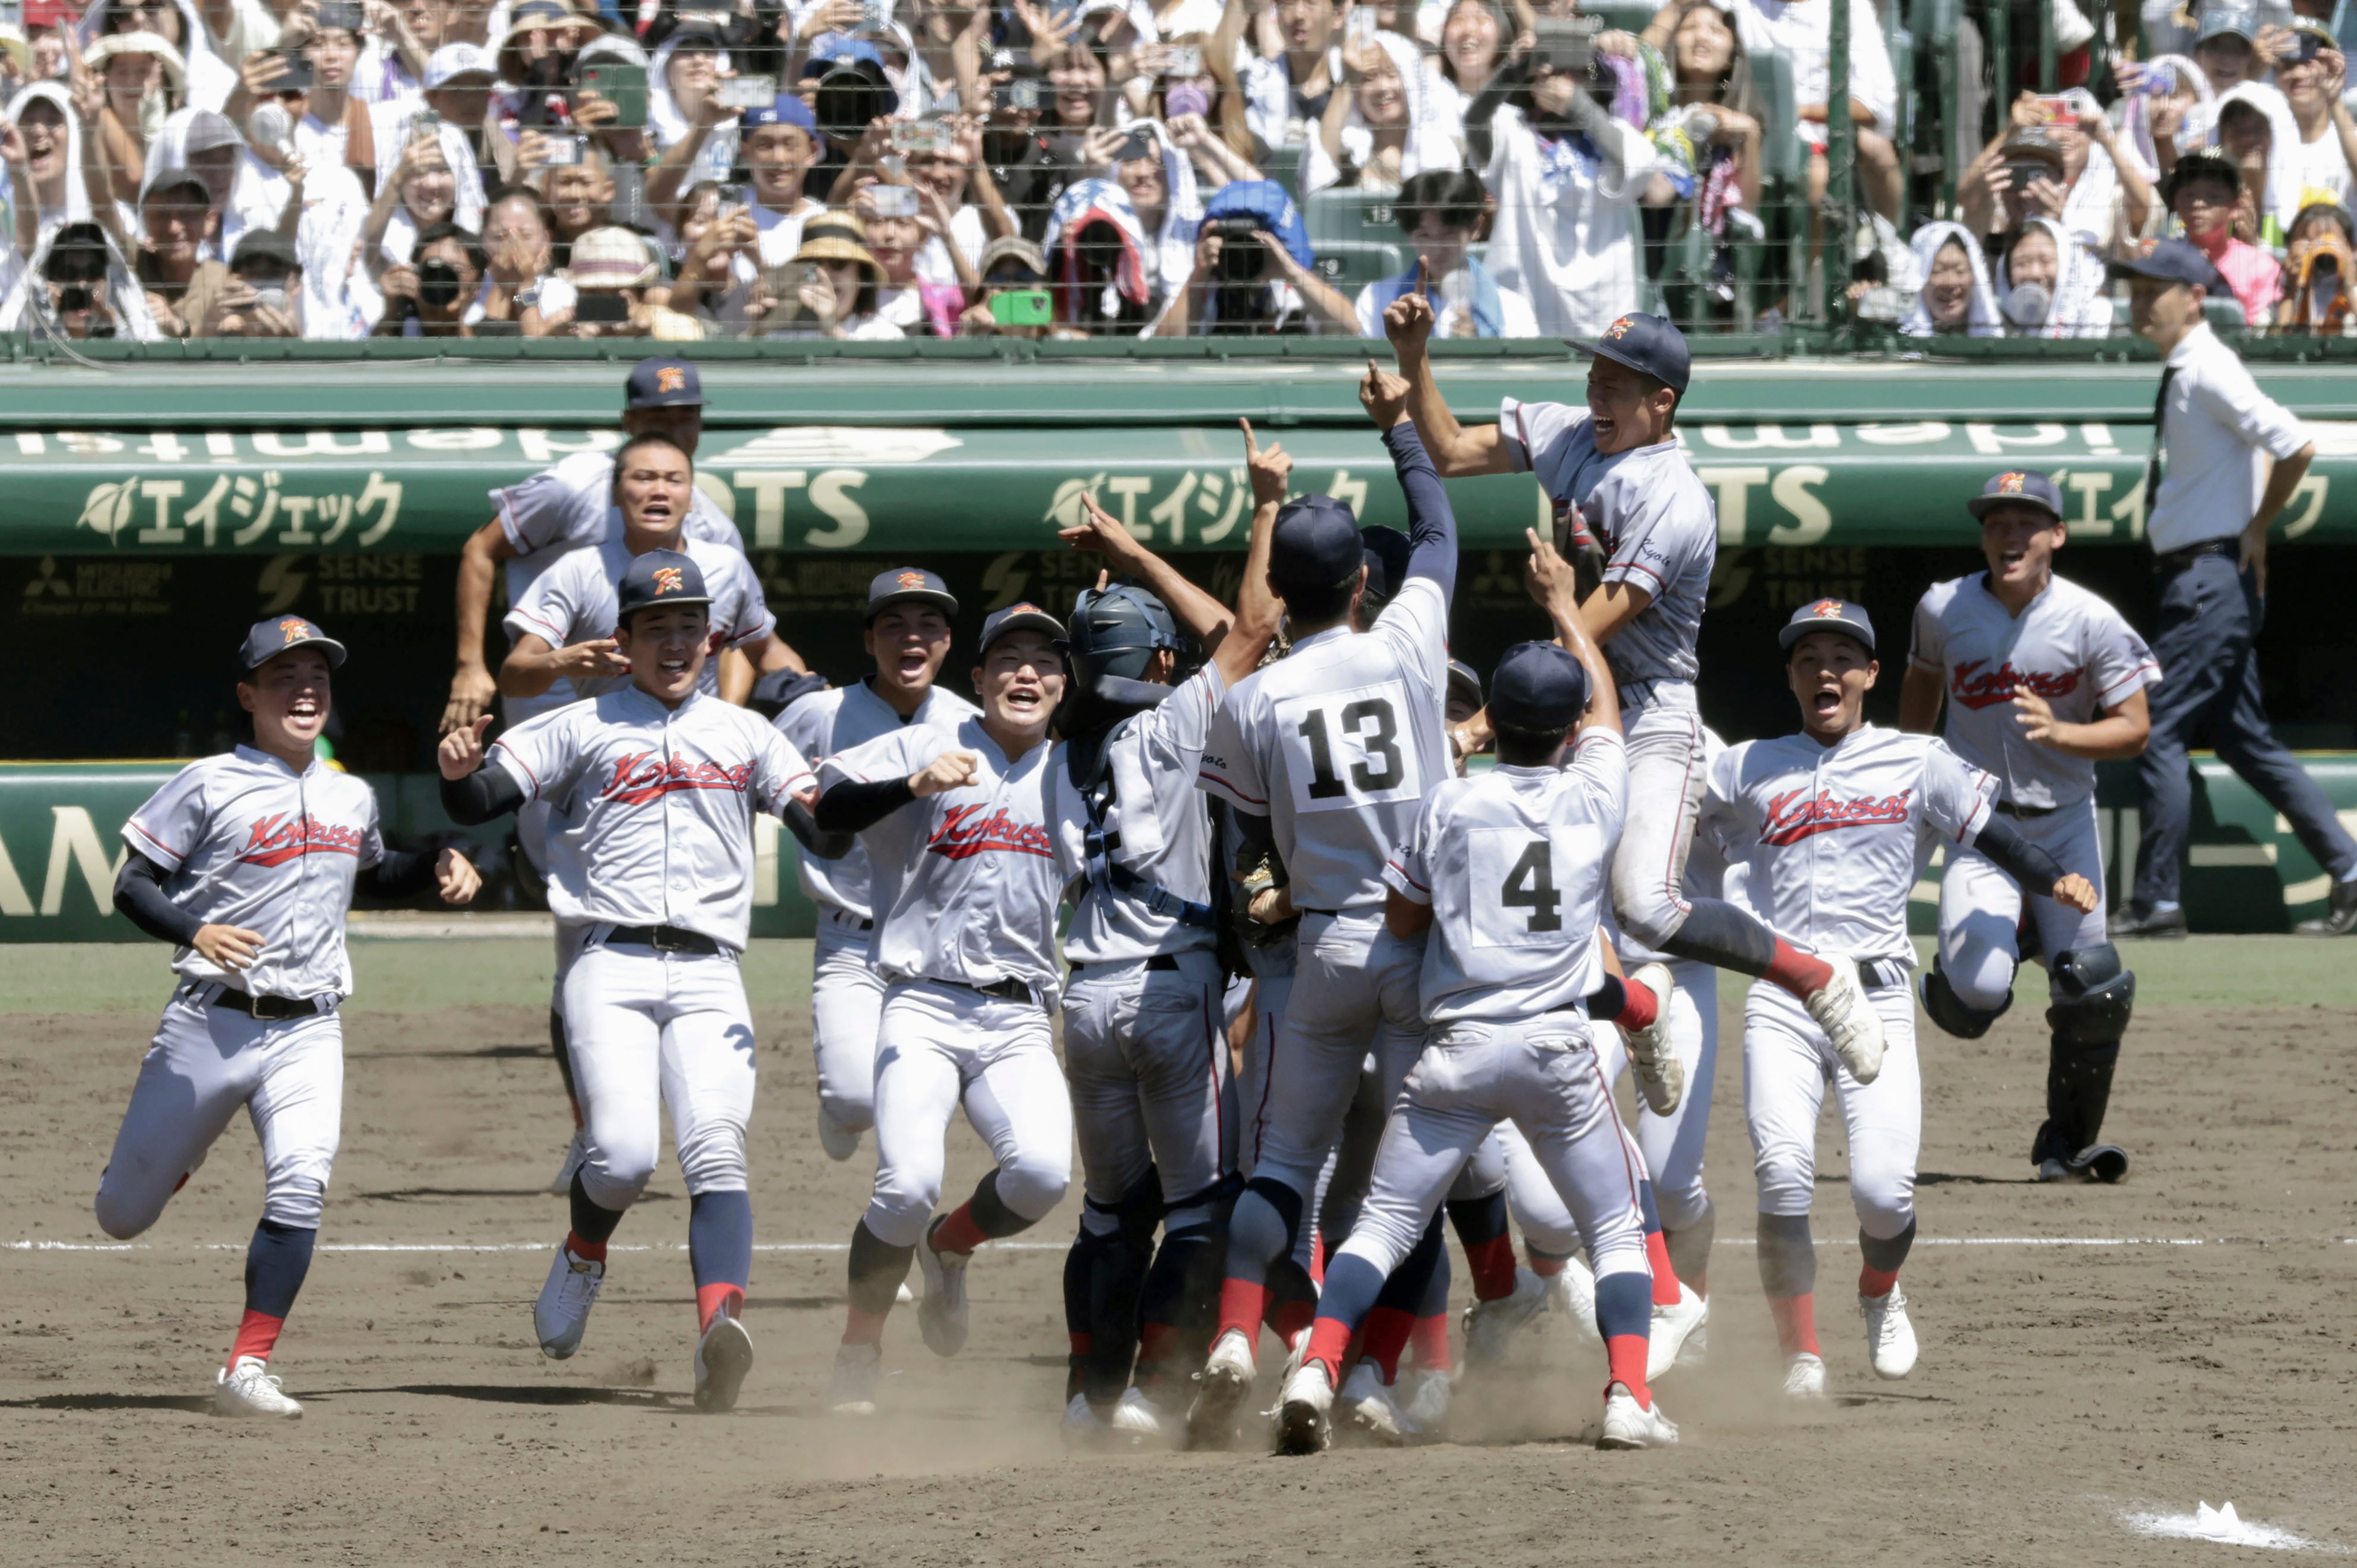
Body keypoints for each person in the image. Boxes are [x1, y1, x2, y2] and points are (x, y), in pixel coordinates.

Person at [1389, 303, 1891, 1115]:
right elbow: (1448, 449)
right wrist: (1415, 357)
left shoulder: (1677, 497)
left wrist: (1486, 722)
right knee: (1543, 906)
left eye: (1616, 385)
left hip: (1651, 714)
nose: (1596, 396)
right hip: (1570, 718)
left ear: (1663, 401)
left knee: (1647, 907)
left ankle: (1815, 976)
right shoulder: (1574, 434)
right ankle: (1640, 1010)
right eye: (1593, 377)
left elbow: (1593, 624)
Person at [1279, 613, 1681, 1453]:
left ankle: (1317, 1364)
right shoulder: (1597, 793)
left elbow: (1399, 918)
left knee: (1382, 1224)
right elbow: (1606, 715)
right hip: (1555, 1050)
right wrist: (1569, 612)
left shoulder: (1450, 801)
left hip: (1455, 1049)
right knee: (1614, 1233)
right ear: (1569, 729)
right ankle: (1627, 1396)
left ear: (1489, 717)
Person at [436, 550, 824, 1415]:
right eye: (658, 626)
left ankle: (719, 1325)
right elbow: (483, 797)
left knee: (716, 1148)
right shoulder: (583, 723)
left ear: (714, 635)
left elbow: (822, 828)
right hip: (605, 960)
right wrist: (459, 775)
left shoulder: (749, 733)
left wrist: (890, 787)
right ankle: (583, 1250)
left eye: (690, 623)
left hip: (712, 968)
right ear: (625, 639)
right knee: (622, 1155)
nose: (676, 640)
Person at [1700, 598, 2099, 1398]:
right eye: (1808, 656)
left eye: (1843, 657)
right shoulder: (1743, 764)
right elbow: (1670, 825)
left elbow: (1990, 830)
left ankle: (1880, 1289)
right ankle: (1801, 1354)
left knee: (1884, 1193)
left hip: (1877, 996)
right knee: (1782, 1175)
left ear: (1872, 674)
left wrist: (2049, 876)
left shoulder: (1918, 760)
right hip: (1783, 995)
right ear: (1790, 674)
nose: (1826, 670)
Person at [99, 616, 480, 1418]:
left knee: (302, 1185)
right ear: (249, 695)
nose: (305, 690)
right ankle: (178, 1151)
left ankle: (246, 1366)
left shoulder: (349, 792)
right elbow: (132, 885)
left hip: (311, 1026)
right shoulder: (209, 782)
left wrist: (438, 860)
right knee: (122, 1215)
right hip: (211, 1021)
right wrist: (194, 929)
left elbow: (372, 875)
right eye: (284, 677)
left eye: (317, 676)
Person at [1185, 355, 1464, 1448]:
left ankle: (1242, 1339)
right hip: (1425, 948)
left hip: (1322, 950)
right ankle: (1350, 1375)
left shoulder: (1253, 701)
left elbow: (1247, 831)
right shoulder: (1403, 641)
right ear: (1360, 582)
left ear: (1281, 597)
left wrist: (1266, 885)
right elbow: (1437, 529)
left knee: (1283, 1170)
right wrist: (1399, 426)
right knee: (1412, 1183)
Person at [1049, 424, 1286, 1448]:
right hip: (1164, 985)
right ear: (1153, 658)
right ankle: (1149, 1383)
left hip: (1082, 992)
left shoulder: (1056, 750)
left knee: (1108, 1211)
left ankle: (1083, 1397)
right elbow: (1254, 624)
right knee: (1198, 1204)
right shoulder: (1171, 723)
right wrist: (1255, 505)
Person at [811, 603, 1077, 1417]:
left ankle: (951, 1246)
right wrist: (912, 784)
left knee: (1041, 1176)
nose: (1026, 672)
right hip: (920, 1004)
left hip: (1020, 1014)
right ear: (979, 679)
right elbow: (829, 812)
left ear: (1066, 685)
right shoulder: (927, 746)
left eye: (1044, 661)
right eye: (1009, 659)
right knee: (906, 1183)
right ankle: (859, 1349)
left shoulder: (1076, 772)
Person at [1902, 471, 2160, 1182]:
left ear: (2056, 535)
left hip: (2064, 825)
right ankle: (1998, 949)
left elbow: (2135, 728)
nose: (2010, 536)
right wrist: (1903, 782)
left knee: (2095, 989)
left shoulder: (2092, 618)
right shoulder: (1944, 606)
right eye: (1997, 523)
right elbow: (1920, 698)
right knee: (1974, 1000)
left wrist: (2062, 732)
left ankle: (2065, 1146)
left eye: (2026, 523)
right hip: (1981, 828)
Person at [2108, 239, 2357, 938]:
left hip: (2209, 580)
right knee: (2247, 742)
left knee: (2154, 729)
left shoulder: (2209, 367)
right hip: (2209, 579)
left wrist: (2257, 529)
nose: (2140, 298)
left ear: (2193, 296)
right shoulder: (2192, 367)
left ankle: (2157, 901)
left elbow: (2296, 443)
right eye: (2136, 286)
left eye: (2156, 286)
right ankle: (2352, 871)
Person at [773, 568, 981, 1164]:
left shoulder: (971, 722)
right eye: (893, 625)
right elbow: (759, 770)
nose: (910, 638)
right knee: (854, 1099)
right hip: (849, 937)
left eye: (927, 625)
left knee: (915, 1100)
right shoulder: (819, 713)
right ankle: (843, 1110)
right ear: (868, 640)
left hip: (934, 945)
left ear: (946, 641)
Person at [499, 433, 793, 712]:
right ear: (615, 494)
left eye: (674, 481)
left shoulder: (727, 565)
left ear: (691, 499)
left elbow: (766, 651)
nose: (660, 491)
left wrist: (813, 698)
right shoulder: (578, 570)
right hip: (612, 742)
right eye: (644, 478)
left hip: (699, 745)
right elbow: (514, 679)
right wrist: (560, 662)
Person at [1470, 52, 1671, 339]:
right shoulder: (1511, 128)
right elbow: (1474, 122)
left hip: (1602, 307)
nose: (1556, 80)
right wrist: (1511, 70)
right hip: (1524, 301)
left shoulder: (1620, 133)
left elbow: (1637, 168)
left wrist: (1580, 108)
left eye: (1572, 72)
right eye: (1545, 72)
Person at [1353, 168, 1541, 338]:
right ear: (1409, 235)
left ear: (1476, 228)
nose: (1437, 249)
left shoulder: (1514, 310)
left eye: (1450, 234)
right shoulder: (1377, 300)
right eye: (1425, 236)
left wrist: (1483, 350)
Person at [1994, 218, 2114, 337]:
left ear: (2067, 266)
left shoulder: (2101, 322)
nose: (2035, 274)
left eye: (2045, 261)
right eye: (2023, 263)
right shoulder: (1995, 327)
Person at [1899, 219, 2000, 337]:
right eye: (1938, 272)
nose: (1950, 283)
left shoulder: (2003, 344)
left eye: (1960, 271)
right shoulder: (1896, 345)